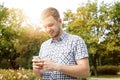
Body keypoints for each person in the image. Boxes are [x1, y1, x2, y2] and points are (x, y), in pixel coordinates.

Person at [32, 7, 90, 80]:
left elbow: (85, 72)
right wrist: (36, 69)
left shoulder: (76, 41)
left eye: (50, 25)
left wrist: (56, 66)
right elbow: (40, 75)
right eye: (45, 27)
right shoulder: (44, 45)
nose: (48, 30)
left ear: (60, 21)